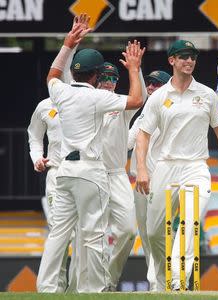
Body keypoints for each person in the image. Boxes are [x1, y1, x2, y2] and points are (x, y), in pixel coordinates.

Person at [36, 14, 145, 292]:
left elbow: (52, 74)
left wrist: (68, 44)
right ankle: (93, 290)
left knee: (59, 233)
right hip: (89, 171)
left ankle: (46, 288)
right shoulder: (98, 97)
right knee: (93, 234)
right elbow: (136, 100)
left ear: (76, 71)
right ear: (96, 76)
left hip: (65, 173)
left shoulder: (59, 93)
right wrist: (133, 68)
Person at [134, 40, 218, 291]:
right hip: (165, 167)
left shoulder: (206, 95)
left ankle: (177, 280)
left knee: (188, 222)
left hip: (195, 167)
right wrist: (141, 168)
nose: (189, 61)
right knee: (153, 233)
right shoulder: (159, 97)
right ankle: (161, 282)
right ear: (172, 60)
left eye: (192, 57)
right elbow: (143, 135)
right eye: (183, 56)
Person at [98, 61, 146, 291]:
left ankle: (110, 280)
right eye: (105, 78)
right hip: (91, 173)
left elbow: (142, 97)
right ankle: (88, 285)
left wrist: (134, 70)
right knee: (90, 234)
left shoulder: (121, 104)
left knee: (128, 230)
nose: (109, 82)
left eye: (113, 78)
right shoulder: (84, 101)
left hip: (117, 175)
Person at [127, 70, 171, 291]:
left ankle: (161, 282)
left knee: (160, 233)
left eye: (157, 84)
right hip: (139, 183)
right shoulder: (142, 117)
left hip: (162, 181)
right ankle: (156, 283)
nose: (151, 88)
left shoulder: (170, 113)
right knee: (146, 235)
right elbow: (126, 142)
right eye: (150, 84)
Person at [28, 97, 68, 292]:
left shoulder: (89, 97)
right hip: (56, 172)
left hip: (86, 171)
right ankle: (54, 289)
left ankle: (80, 287)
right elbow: (34, 134)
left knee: (85, 233)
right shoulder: (45, 105)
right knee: (57, 230)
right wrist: (37, 156)